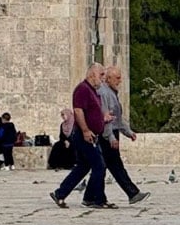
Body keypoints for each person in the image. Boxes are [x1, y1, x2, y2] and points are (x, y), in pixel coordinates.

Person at [50, 64, 115, 209]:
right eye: (102, 75)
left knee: (83, 167)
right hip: (84, 135)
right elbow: (78, 112)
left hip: (91, 134)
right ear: (92, 74)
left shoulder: (92, 91)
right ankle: (97, 199)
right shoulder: (82, 89)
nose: (104, 79)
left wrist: (103, 118)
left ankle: (61, 193)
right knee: (99, 166)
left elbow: (91, 112)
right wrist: (85, 131)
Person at [98, 65, 150, 205]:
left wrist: (128, 132)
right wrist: (111, 137)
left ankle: (94, 197)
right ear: (108, 79)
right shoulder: (104, 93)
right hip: (107, 134)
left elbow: (118, 119)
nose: (120, 81)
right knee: (111, 165)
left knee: (104, 166)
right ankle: (132, 193)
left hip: (112, 133)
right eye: (117, 78)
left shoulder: (111, 93)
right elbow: (106, 118)